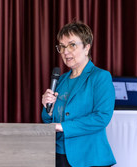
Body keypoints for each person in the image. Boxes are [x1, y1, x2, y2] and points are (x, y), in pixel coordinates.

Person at [41, 21, 116, 167]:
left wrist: (63, 127)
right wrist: (47, 108)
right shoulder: (60, 80)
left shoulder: (100, 77)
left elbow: (101, 118)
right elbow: (49, 121)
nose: (65, 52)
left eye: (71, 45)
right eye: (62, 47)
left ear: (86, 47)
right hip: (57, 156)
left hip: (89, 157)